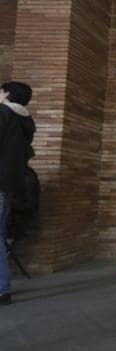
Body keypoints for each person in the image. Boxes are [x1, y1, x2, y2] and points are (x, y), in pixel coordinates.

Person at [0, 81, 36, 306]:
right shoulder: (24, 121)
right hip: (10, 185)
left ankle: (2, 288)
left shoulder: (3, 114)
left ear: (6, 94)